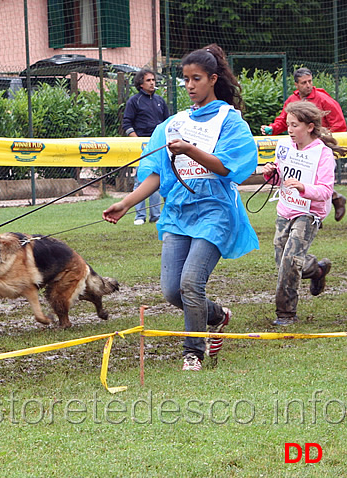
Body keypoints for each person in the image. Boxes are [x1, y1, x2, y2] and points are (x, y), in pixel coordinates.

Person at [103, 44, 259, 371]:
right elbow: (157, 174)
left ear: (213, 79)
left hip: (215, 214)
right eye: (185, 79)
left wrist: (190, 149)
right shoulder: (172, 124)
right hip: (177, 215)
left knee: (191, 284)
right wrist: (126, 204)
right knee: (173, 291)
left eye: (196, 79)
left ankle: (193, 352)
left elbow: (228, 167)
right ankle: (217, 315)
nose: (189, 85)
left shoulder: (230, 122)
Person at [262, 102, 347, 326]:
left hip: (309, 214)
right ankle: (317, 270)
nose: (289, 129)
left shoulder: (323, 154)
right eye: (288, 124)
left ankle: (286, 312)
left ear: (310, 127)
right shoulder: (285, 146)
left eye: (295, 125)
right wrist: (271, 173)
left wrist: (303, 188)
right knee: (282, 259)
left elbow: (325, 191)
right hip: (286, 210)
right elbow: (280, 176)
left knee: (290, 261)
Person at [261, 67, 347, 221]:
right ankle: (332, 200)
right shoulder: (292, 101)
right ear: (296, 85)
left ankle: (315, 213)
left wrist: (320, 141)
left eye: (310, 81)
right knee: (302, 179)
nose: (308, 85)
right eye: (304, 83)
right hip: (299, 149)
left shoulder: (323, 99)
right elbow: (283, 121)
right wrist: (272, 129)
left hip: (319, 147)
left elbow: (339, 123)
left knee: (317, 180)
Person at [122, 68, 170, 225]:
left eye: (153, 80)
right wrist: (137, 142)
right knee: (140, 179)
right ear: (140, 84)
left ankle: (156, 216)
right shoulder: (133, 101)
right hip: (141, 145)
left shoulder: (160, 101)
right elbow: (127, 123)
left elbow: (167, 123)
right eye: (148, 80)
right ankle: (140, 216)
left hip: (159, 145)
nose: (152, 83)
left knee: (156, 178)